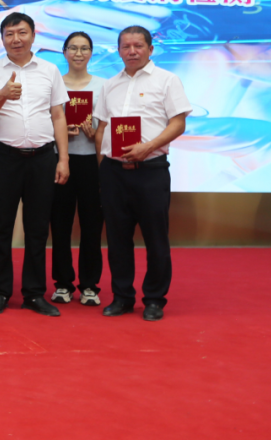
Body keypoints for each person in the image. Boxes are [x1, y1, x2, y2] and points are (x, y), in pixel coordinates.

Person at [95, 26, 190, 322]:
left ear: (151, 49)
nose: (132, 51)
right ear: (118, 50)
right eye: (126, 46)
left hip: (151, 171)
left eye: (138, 45)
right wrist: (102, 165)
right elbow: (102, 127)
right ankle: (122, 297)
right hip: (114, 173)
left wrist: (148, 147)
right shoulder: (110, 84)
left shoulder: (167, 80)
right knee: (117, 239)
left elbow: (178, 123)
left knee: (155, 238)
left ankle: (154, 299)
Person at [0, 12, 70, 316]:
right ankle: (0, 291)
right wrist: (2, 95)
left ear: (33, 35)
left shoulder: (49, 70)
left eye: (21, 32)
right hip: (4, 158)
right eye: (9, 34)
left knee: (37, 228)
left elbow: (58, 116)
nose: (15, 39)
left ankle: (34, 293)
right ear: (1, 38)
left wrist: (63, 158)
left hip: (42, 158)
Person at [50, 32, 106, 307]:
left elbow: (110, 125)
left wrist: (96, 135)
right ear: (64, 52)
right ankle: (62, 283)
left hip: (91, 163)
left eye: (84, 48)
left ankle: (89, 285)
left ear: (91, 53)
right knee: (60, 224)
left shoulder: (103, 86)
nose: (78, 53)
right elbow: (45, 121)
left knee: (92, 225)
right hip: (60, 161)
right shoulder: (54, 83)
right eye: (73, 48)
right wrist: (61, 131)